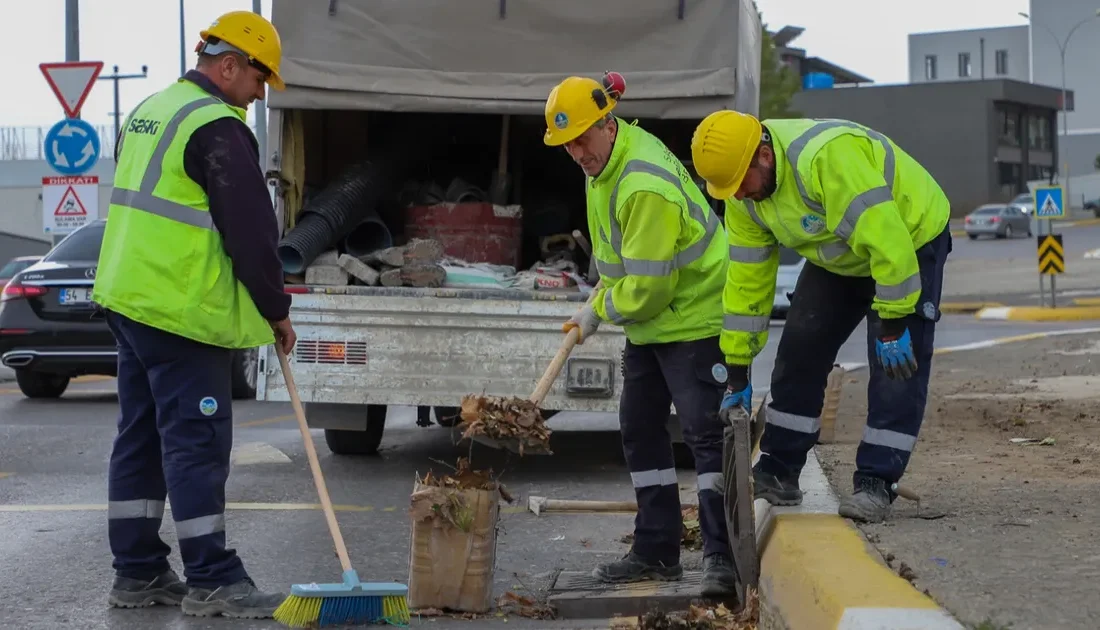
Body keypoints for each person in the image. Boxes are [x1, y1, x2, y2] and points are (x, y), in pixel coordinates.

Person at [91, 11, 297, 619]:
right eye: (260, 78)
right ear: (228, 64)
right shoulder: (217, 128)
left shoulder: (151, 110)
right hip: (180, 311)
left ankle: (138, 573)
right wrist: (275, 310)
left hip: (131, 301)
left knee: (142, 439)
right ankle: (211, 576)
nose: (261, 93)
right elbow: (252, 234)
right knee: (196, 442)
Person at [690, 110, 952, 524]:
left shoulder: (825, 160)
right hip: (841, 253)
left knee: (895, 367)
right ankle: (780, 468)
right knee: (800, 347)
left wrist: (895, 322)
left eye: (740, 183)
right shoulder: (742, 197)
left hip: (909, 236)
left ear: (763, 154)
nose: (737, 195)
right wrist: (736, 370)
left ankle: (876, 482)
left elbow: (888, 242)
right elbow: (746, 284)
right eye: (727, 189)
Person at [543, 73, 738, 597]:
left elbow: (648, 289)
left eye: (583, 139)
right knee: (639, 426)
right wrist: (595, 305)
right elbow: (621, 257)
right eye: (567, 145)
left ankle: (723, 559)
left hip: (695, 318)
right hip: (655, 324)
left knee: (704, 435)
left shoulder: (642, 183)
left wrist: (600, 309)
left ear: (607, 123)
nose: (577, 153)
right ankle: (656, 552)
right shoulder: (604, 164)